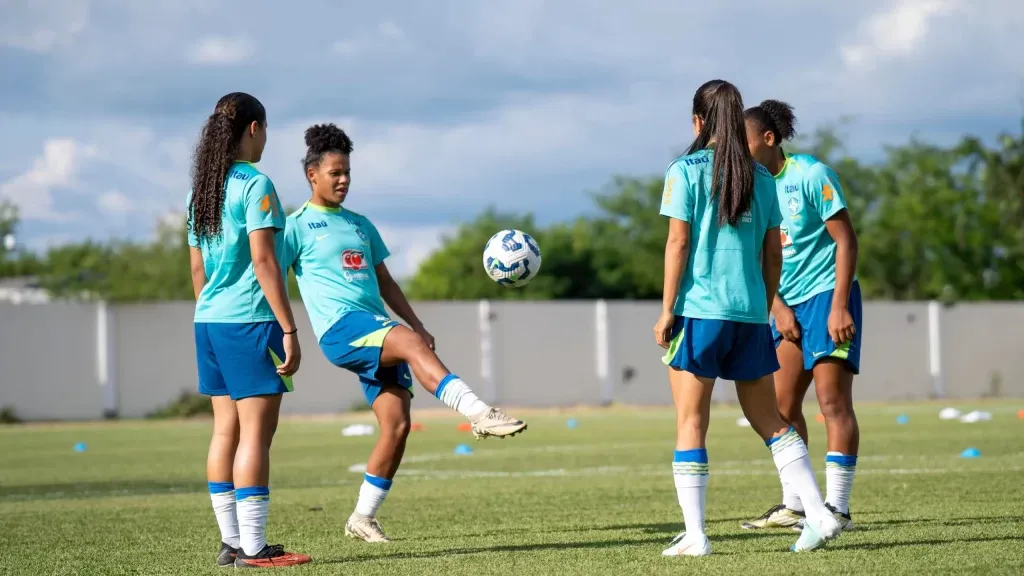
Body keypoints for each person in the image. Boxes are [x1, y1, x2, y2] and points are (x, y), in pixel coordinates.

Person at [279, 123, 528, 543]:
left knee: (396, 426)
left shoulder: (360, 225)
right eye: (335, 173)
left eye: (348, 173)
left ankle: (362, 518)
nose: (343, 180)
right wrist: (284, 331)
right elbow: (269, 276)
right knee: (409, 347)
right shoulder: (295, 227)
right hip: (341, 329)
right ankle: (479, 412)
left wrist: (417, 324)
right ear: (312, 174)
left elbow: (385, 281)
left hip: (378, 328)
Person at [654, 80, 842, 557]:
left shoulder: (683, 169)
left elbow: (678, 243)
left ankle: (696, 535)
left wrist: (667, 309)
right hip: (750, 314)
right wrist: (764, 304)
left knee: (690, 423)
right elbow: (772, 252)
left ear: (698, 121)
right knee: (772, 421)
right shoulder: (762, 176)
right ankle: (818, 512)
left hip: (700, 312)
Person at [187, 92, 311, 568]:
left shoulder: (200, 189)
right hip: (250, 321)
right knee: (255, 435)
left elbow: (197, 270)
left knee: (225, 432)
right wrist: (289, 329)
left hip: (209, 321)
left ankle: (231, 542)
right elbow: (264, 261)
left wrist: (213, 311)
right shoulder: (256, 184)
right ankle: (254, 549)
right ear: (254, 128)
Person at [740, 100, 861, 533]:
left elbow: (846, 241)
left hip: (827, 297)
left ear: (768, 138)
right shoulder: (751, 188)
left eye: (743, 140)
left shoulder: (812, 174)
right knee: (781, 406)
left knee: (832, 402)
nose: (737, 149)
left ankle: (838, 509)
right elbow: (755, 255)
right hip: (784, 304)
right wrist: (777, 307)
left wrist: (839, 305)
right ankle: (795, 505)